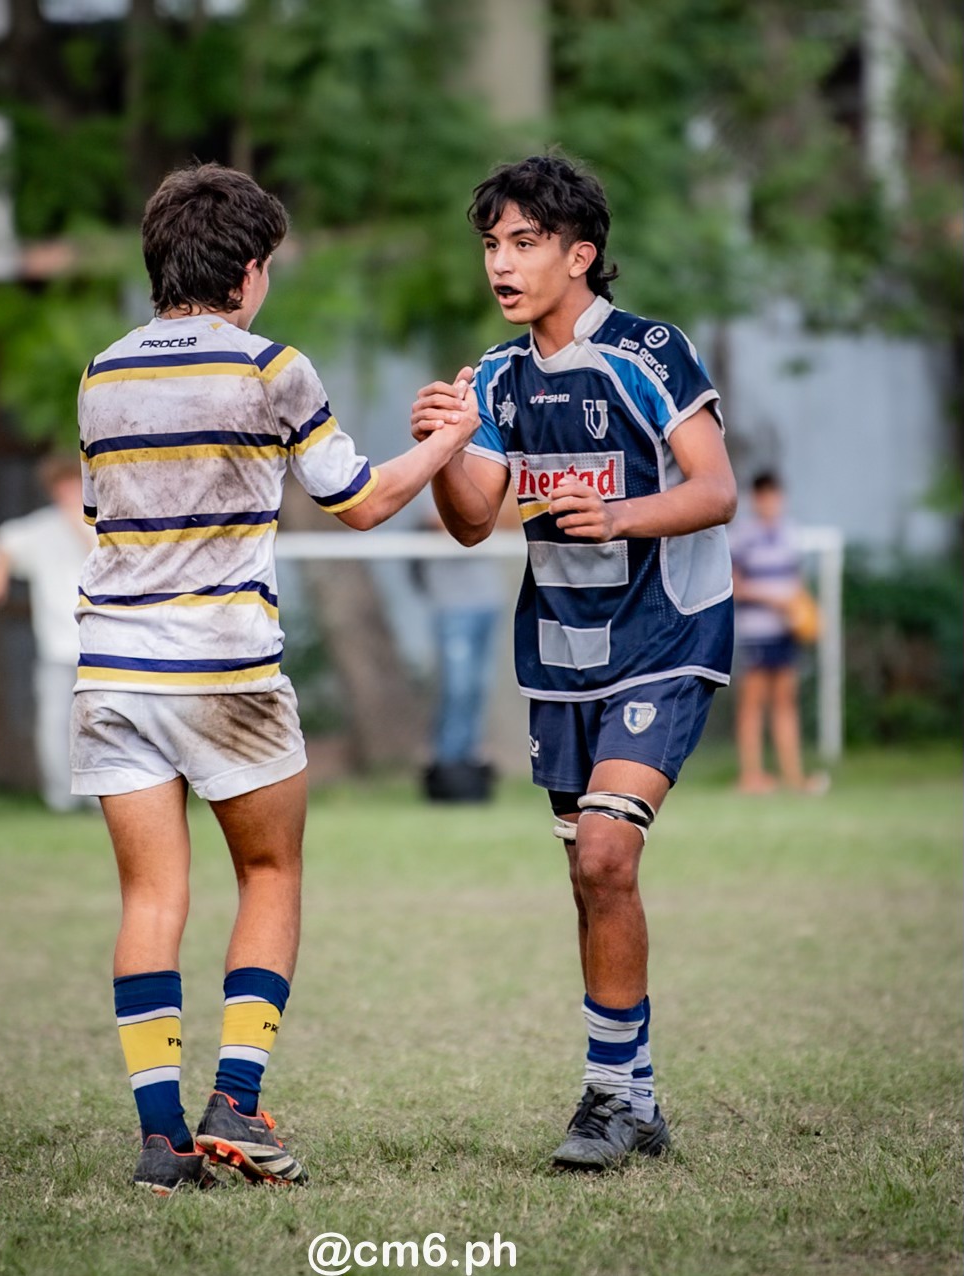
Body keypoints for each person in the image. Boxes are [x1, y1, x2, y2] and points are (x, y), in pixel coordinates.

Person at [73, 162, 480, 1194]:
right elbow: (356, 499)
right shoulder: (272, 367)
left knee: (150, 894)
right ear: (250, 270)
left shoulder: (102, 371)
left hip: (113, 671)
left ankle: (161, 1140)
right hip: (226, 667)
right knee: (270, 873)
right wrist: (444, 443)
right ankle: (238, 1103)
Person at [412, 154, 737, 1172]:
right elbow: (472, 524)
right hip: (560, 649)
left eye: (523, 244)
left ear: (578, 254)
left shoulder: (647, 351)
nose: (499, 266)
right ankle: (633, 1099)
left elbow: (715, 487)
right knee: (589, 878)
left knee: (605, 853)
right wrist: (442, 450)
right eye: (490, 246)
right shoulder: (498, 378)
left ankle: (603, 1095)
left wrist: (623, 513)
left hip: (666, 634)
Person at [0, 454, 96, 811]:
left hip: (100, 648)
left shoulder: (104, 524)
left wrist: (78, 519)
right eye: (61, 486)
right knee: (53, 724)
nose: (67, 492)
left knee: (100, 727)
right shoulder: (41, 528)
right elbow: (7, 538)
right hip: (56, 647)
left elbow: (99, 552)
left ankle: (99, 797)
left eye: (73, 484)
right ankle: (60, 798)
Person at [729, 471, 825, 795]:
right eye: (765, 496)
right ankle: (751, 776)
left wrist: (805, 610)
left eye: (776, 496)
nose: (771, 503)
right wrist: (772, 598)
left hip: (786, 630)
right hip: (756, 631)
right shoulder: (742, 535)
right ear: (757, 499)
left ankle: (792, 775)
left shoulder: (789, 533)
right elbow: (734, 585)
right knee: (753, 703)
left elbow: (795, 581)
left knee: (786, 701)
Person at [415, 509, 506, 802]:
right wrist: (487, 516)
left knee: (479, 687)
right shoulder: (437, 468)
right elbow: (448, 522)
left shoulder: (491, 467)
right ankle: (448, 768)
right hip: (452, 603)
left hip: (488, 600)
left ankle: (469, 762)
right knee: (457, 688)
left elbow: (514, 521)